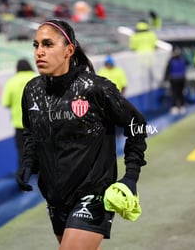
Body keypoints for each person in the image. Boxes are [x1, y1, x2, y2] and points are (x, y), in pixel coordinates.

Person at [17, 19, 147, 249]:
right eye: (36, 45)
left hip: (92, 194)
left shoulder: (95, 88)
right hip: (54, 197)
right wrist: (28, 162)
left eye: (48, 44)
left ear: (69, 50)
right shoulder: (31, 90)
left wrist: (131, 176)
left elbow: (137, 124)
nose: (39, 52)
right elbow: (31, 132)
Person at [2, 59, 36, 168]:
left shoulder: (12, 82)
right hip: (37, 124)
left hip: (19, 124)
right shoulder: (37, 78)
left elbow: (6, 102)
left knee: (23, 153)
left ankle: (24, 179)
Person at [164, 47, 187, 114]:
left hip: (175, 79)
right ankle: (181, 106)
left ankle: (176, 107)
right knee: (180, 93)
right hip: (181, 78)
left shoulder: (171, 60)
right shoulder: (182, 59)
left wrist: (165, 79)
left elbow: (167, 70)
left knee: (175, 93)